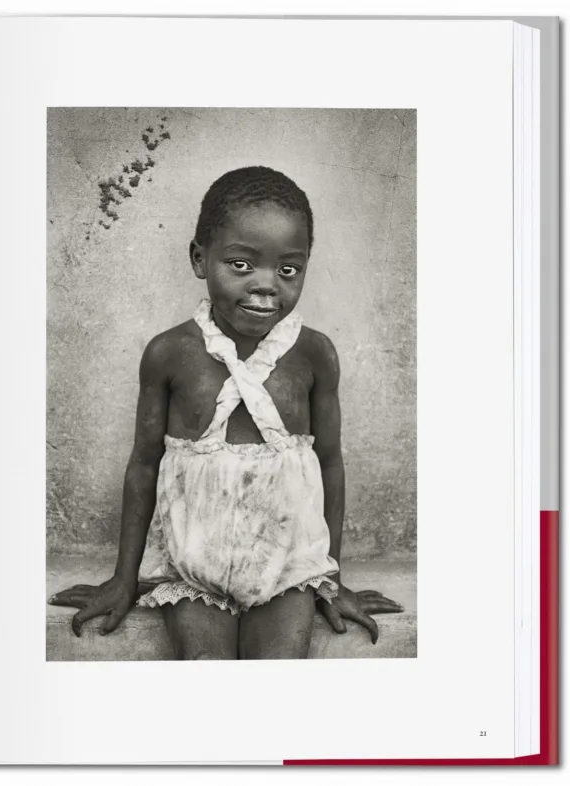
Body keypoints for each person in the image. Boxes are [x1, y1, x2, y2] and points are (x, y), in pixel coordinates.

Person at [49, 166, 401, 659]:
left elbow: (331, 465)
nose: (265, 286)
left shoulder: (314, 354)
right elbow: (144, 465)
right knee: (205, 668)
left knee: (278, 672)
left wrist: (331, 577)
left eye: (288, 269)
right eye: (241, 264)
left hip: (287, 564)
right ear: (200, 258)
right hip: (193, 560)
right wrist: (124, 578)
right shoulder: (170, 353)